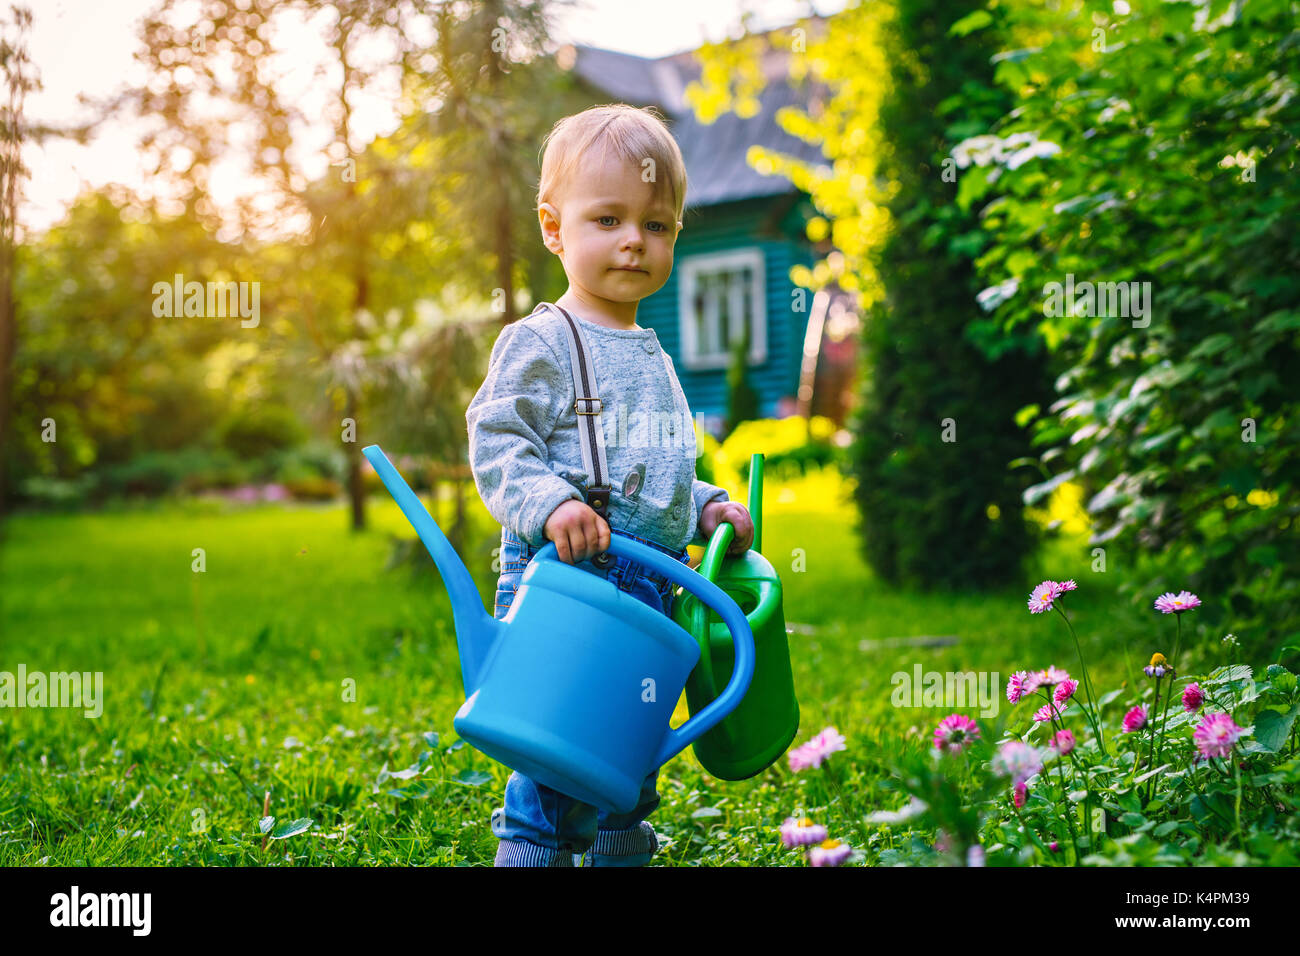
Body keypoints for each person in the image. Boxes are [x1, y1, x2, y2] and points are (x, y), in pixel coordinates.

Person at [465, 104, 754, 866]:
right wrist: (552, 503)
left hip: (650, 590)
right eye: (608, 219)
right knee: (560, 761)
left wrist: (704, 505)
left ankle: (622, 850)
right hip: (568, 585)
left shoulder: (654, 354)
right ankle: (531, 853)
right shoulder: (541, 341)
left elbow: (659, 472)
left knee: (630, 758)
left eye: (656, 226)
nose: (634, 239)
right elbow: (497, 440)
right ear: (555, 228)